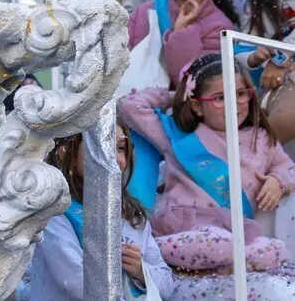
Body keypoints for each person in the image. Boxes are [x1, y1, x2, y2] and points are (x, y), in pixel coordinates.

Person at [25, 125, 229, 301]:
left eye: (120, 148)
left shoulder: (131, 215)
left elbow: (166, 282)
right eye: (103, 145)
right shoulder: (55, 212)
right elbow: (75, 280)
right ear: (65, 151)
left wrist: (140, 271)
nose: (115, 157)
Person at [119, 53, 295, 272]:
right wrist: (178, 95)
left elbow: (286, 167)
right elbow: (129, 106)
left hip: (234, 231)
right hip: (187, 228)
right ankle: (152, 250)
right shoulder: (179, 136)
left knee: (274, 250)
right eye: (220, 98)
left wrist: (277, 181)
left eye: (240, 94)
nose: (234, 104)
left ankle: (222, 267)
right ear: (197, 107)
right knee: (219, 242)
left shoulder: (262, 138)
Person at [242, 0, 295, 143]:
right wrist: (255, 58)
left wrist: (278, 59)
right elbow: (242, 47)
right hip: (275, 86)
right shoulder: (256, 2)